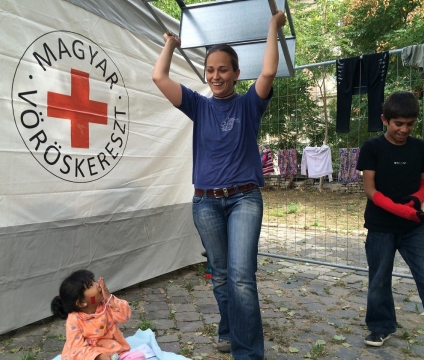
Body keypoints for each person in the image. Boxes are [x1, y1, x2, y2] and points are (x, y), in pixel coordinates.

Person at [152, 10, 286, 360]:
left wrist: (272, 26)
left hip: (244, 199)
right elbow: (159, 76)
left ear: (236, 73)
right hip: (205, 203)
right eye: (210, 69)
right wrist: (170, 44)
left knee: (241, 276)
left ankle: (247, 352)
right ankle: (229, 330)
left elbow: (269, 70)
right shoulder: (198, 106)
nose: (215, 75)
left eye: (223, 69)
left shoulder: (248, 105)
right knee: (223, 276)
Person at [356, 91, 424, 360]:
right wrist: (401, 210)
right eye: (398, 123)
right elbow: (370, 190)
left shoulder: (421, 148)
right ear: (385, 120)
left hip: (413, 228)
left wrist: (415, 200)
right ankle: (381, 327)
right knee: (379, 280)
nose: (404, 129)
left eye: (410, 124)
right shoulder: (372, 148)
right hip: (380, 227)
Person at [51, 270, 146, 360]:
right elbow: (77, 349)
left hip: (116, 353)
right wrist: (98, 357)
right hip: (91, 356)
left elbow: (125, 316)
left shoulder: (106, 305)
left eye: (94, 281)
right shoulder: (74, 320)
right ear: (81, 303)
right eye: (91, 285)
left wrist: (109, 297)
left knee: (138, 356)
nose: (98, 285)